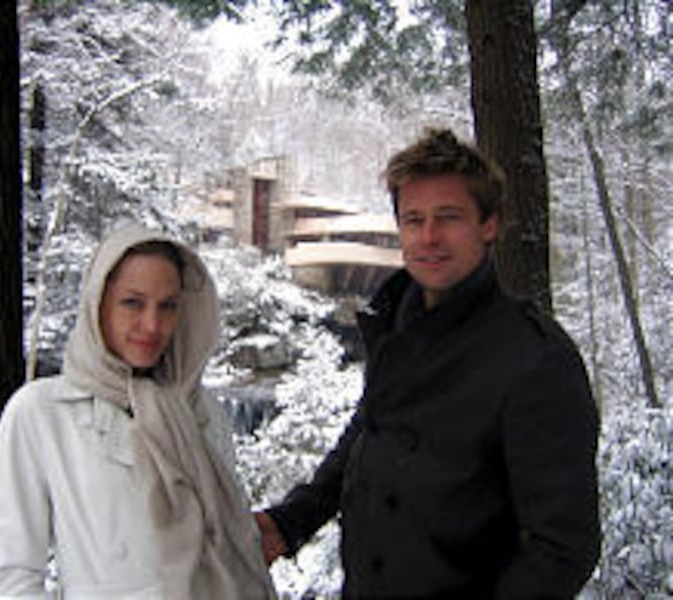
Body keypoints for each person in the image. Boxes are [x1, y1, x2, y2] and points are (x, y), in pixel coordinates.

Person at [255, 129, 601, 598]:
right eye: (414, 220)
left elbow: (563, 546)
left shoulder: (534, 358)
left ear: (489, 224)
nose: (429, 237)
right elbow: (370, 434)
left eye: (449, 218)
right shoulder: (396, 323)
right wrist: (291, 521)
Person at [0, 223, 274, 599]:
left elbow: (231, 550)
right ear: (98, 303)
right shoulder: (40, 413)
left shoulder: (200, 410)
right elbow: (14, 577)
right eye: (133, 303)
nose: (152, 325)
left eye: (167, 306)